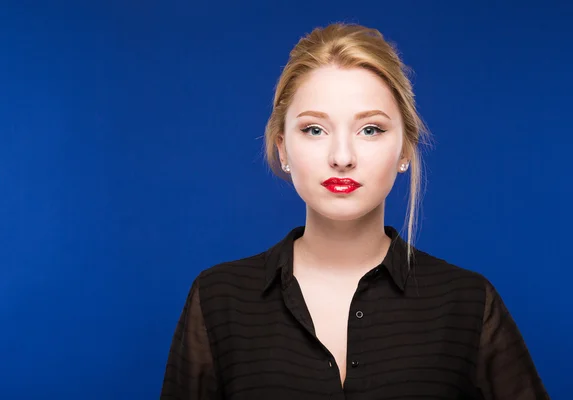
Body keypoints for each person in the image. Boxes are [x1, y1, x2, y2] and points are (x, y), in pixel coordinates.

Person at [159, 23, 549, 399]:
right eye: (314, 129)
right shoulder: (218, 298)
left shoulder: (467, 302)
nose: (342, 157)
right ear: (282, 148)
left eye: (370, 130)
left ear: (405, 151)